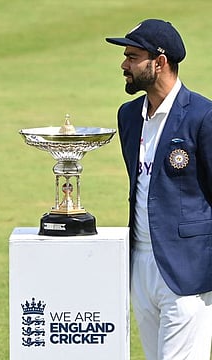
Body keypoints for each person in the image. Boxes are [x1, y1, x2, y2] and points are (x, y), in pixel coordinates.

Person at [106, 19, 212, 359]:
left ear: (160, 62)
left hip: (187, 270)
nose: (124, 65)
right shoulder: (128, 116)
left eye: (132, 56)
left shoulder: (202, 115)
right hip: (140, 264)